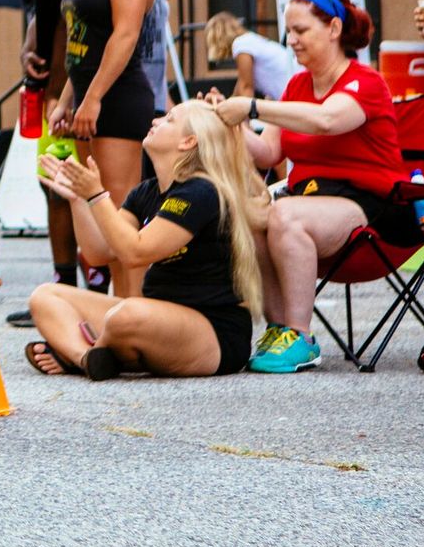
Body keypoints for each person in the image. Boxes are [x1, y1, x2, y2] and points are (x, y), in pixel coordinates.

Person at [214, 0, 413, 373]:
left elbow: (326, 120)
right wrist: (226, 123)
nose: (291, 40)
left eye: (301, 30)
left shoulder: (365, 81)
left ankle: (302, 337)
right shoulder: (296, 85)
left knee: (286, 215)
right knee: (249, 215)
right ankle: (279, 330)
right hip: (314, 203)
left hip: (373, 210)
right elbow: (269, 152)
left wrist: (252, 107)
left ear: (334, 29)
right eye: (289, 31)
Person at [25, 102, 268, 378]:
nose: (156, 121)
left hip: (213, 330)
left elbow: (135, 253)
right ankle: (85, 358)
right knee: (45, 296)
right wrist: (77, 200)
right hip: (157, 315)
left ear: (188, 141)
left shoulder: (201, 191)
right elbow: (99, 253)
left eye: (169, 120)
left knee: (126, 315)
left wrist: (97, 196)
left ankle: (78, 351)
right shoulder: (146, 192)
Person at [52, 0, 158, 297]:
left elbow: (125, 36)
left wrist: (92, 98)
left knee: (119, 217)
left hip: (118, 101)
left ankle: (134, 313)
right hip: (90, 102)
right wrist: (67, 100)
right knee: (100, 218)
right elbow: (82, 47)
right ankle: (118, 312)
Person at [9, 0, 96, 326]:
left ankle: (84, 295)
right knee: (54, 188)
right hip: (54, 94)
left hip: (74, 96)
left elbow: (83, 18)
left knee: (76, 191)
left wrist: (72, 91)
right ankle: (65, 290)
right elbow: (45, 13)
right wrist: (29, 49)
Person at [204, 11, 299, 101]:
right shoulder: (251, 41)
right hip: (296, 91)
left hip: (295, 95)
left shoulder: (241, 44)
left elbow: (246, 89)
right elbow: (239, 90)